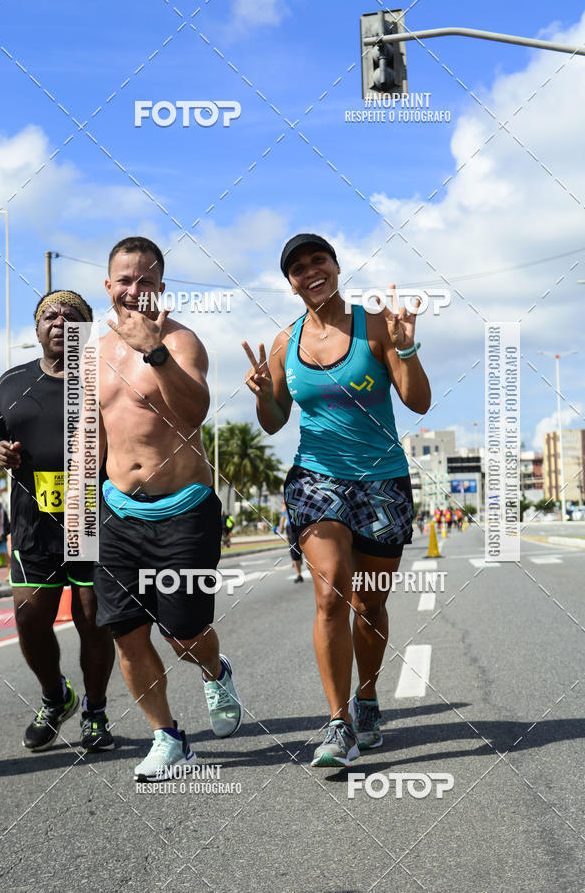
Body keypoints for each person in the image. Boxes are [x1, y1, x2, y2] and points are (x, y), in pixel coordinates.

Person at [243, 233, 431, 767]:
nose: (311, 271)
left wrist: (406, 347)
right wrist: (263, 394)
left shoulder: (376, 326)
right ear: (291, 283)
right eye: (298, 268)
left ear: (336, 266)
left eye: (318, 260)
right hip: (316, 478)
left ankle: (366, 698)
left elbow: (418, 402)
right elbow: (275, 420)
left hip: (381, 481)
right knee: (330, 594)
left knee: (369, 603)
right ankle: (337, 723)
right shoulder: (285, 342)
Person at [95, 236, 242, 781]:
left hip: (182, 510)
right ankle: (168, 737)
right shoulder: (92, 352)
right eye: (125, 280)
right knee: (127, 634)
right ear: (108, 286)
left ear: (162, 287)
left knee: (182, 635)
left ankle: (215, 671)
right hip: (117, 513)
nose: (135, 290)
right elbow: (88, 438)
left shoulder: (181, 341)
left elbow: (194, 411)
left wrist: (153, 351)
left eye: (146, 281)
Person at [0, 291, 115, 752]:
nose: (60, 322)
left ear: (87, 330)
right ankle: (55, 697)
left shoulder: (105, 378)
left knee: (93, 621)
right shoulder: (10, 382)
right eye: (50, 315)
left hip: (93, 519)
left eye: (72, 317)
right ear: (37, 328)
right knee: (29, 619)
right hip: (33, 523)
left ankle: (96, 712)